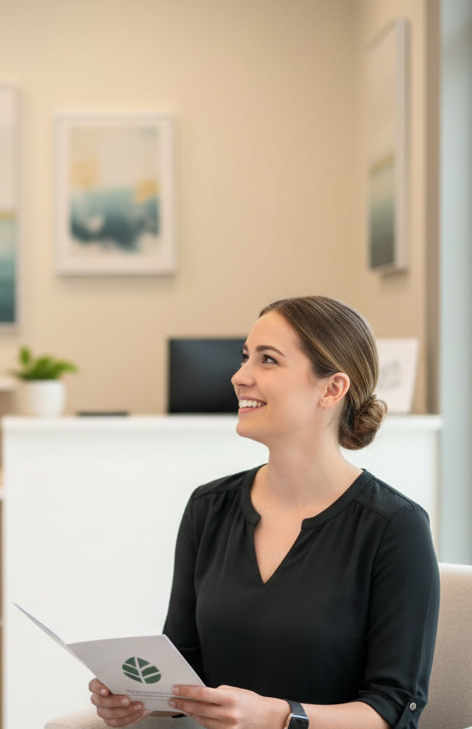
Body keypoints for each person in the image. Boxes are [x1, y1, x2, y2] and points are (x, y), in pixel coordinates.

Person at [89, 296, 440, 729]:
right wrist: (141, 698)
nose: (239, 376)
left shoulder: (394, 527)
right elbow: (186, 666)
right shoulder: (208, 507)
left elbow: (395, 709)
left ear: (331, 389)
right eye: (244, 357)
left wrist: (280, 717)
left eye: (268, 360)